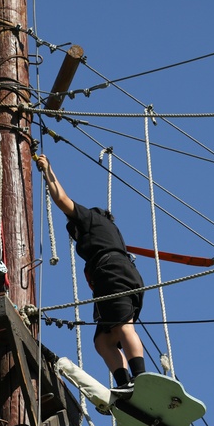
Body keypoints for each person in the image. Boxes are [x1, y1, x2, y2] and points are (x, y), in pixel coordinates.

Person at [35, 154, 145, 392]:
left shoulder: (92, 219)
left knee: (123, 326)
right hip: (120, 275)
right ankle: (125, 385)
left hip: (112, 273)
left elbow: (62, 199)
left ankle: (141, 378)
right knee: (103, 341)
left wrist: (47, 170)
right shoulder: (111, 232)